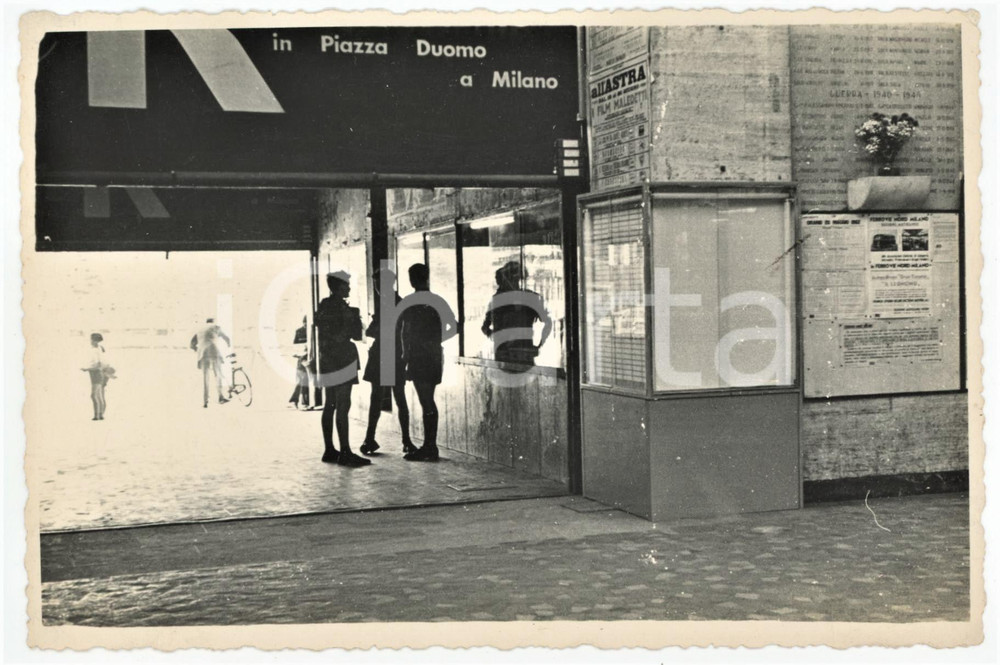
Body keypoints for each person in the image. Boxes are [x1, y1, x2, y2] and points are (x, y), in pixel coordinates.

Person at [400, 263, 458, 462]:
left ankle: (430, 446)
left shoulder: (409, 302)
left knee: (426, 400)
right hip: (433, 355)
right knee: (428, 400)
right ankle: (429, 445)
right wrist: (435, 341)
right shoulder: (436, 300)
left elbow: (405, 332)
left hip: (418, 356)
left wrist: (405, 357)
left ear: (412, 280)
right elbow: (455, 327)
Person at [315, 271, 369, 467]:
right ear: (338, 288)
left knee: (330, 404)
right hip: (342, 357)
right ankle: (345, 451)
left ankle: (330, 449)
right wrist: (355, 319)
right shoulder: (343, 309)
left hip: (327, 359)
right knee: (343, 404)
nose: (349, 288)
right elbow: (353, 335)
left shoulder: (323, 306)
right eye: (346, 285)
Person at [360, 268, 415, 456]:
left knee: (378, 398)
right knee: (398, 397)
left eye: (378, 284)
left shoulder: (388, 304)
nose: (376, 288)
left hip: (384, 354)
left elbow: (372, 331)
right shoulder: (397, 302)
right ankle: (405, 441)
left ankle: (371, 438)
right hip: (394, 354)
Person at [481, 261, 552, 368]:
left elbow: (548, 322)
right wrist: (539, 344)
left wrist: (540, 344)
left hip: (514, 355)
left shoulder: (528, 298)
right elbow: (485, 327)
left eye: (514, 279)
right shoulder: (499, 300)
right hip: (510, 356)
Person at [190, 318, 231, 408]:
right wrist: (228, 347)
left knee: (206, 378)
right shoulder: (216, 327)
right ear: (213, 322)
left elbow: (191, 344)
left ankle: (205, 402)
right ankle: (220, 397)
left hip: (203, 354)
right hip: (214, 352)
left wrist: (197, 349)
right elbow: (227, 338)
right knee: (218, 375)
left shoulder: (199, 330)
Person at [80, 332, 113, 420]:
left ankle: (97, 415)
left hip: (96, 373)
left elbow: (97, 365)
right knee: (99, 395)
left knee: (94, 395)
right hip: (99, 373)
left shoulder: (95, 350)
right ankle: (100, 415)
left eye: (91, 339)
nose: (90, 341)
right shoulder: (100, 348)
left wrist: (86, 369)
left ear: (94, 340)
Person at [288, 316, 312, 409]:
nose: (305, 324)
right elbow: (295, 346)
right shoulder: (299, 331)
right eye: (304, 322)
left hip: (309, 358)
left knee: (304, 380)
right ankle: (301, 401)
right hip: (302, 358)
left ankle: (297, 400)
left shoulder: (312, 331)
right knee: (302, 379)